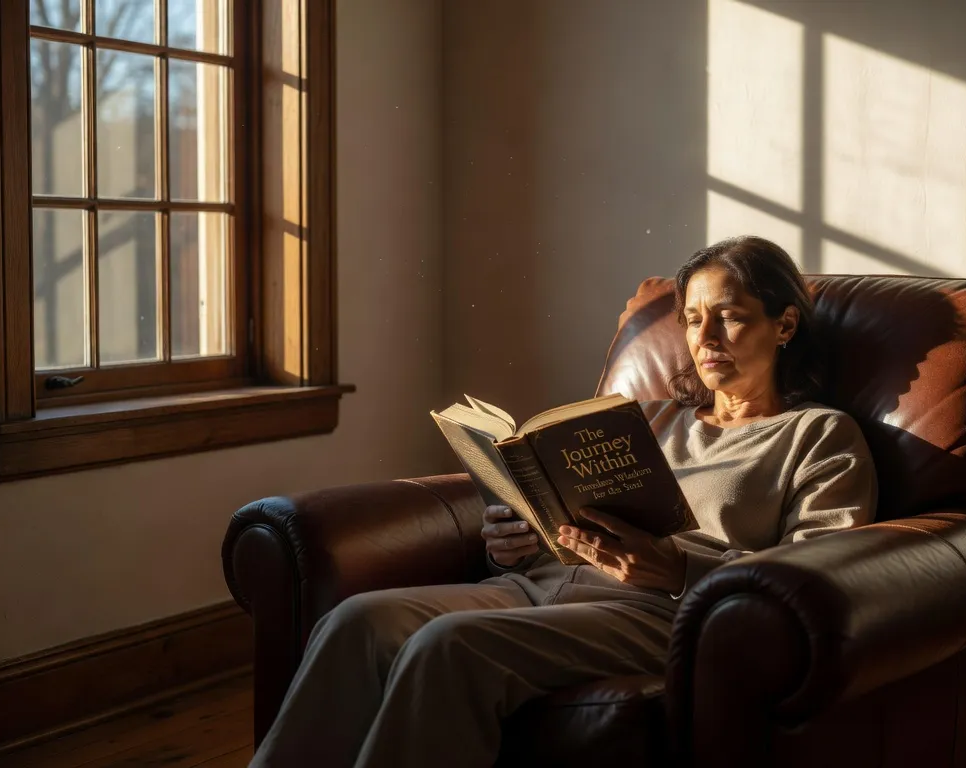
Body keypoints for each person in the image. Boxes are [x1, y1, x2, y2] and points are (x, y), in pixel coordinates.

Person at [249, 236, 877, 767]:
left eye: (731, 315)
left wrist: (678, 568)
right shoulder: (649, 419)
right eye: (691, 318)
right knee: (356, 622)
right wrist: (514, 545)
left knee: (450, 645)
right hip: (541, 587)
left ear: (785, 324)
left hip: (664, 613)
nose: (705, 336)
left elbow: (821, 581)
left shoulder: (819, 435)